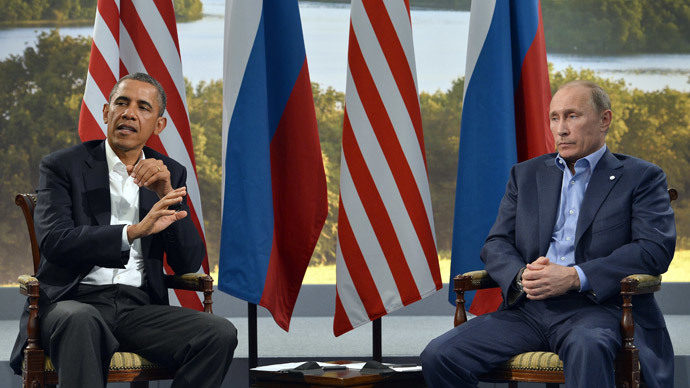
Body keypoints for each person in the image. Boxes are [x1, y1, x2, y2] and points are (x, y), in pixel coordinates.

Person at [421, 80, 676, 388]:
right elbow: (497, 242)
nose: (561, 129)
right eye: (554, 118)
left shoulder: (641, 177)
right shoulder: (526, 175)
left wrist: (573, 276)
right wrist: (521, 276)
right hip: (527, 310)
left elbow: (653, 250)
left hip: (597, 310)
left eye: (572, 116)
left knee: (589, 347)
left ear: (604, 120)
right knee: (440, 354)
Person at [10, 73, 238, 387]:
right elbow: (55, 241)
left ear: (159, 125)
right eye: (122, 103)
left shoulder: (169, 171)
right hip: (72, 302)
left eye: (143, 107)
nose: (129, 113)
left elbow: (188, 261)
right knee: (81, 319)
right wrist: (130, 232)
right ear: (106, 112)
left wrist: (166, 193)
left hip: (138, 310)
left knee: (218, 332)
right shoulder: (63, 166)